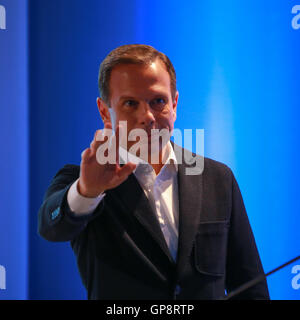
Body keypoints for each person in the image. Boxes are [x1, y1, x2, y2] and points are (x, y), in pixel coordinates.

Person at [38, 44, 270, 300]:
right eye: (130, 103)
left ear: (175, 104)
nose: (146, 116)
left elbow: (250, 285)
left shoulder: (217, 178)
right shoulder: (82, 181)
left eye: (158, 101)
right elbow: (51, 227)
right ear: (105, 112)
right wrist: (87, 191)